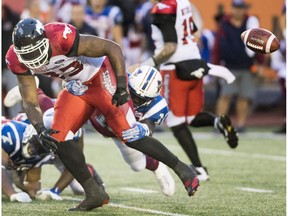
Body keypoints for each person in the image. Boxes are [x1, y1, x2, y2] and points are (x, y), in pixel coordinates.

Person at [6, 18, 199, 211]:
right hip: (77, 87)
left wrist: (122, 86)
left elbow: (111, 47)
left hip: (100, 75)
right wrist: (39, 129)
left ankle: (183, 169)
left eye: (35, 50)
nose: (32, 56)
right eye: (26, 53)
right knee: (57, 137)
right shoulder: (16, 59)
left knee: (129, 135)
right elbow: (30, 101)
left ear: (45, 40)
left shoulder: (60, 36)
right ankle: (94, 192)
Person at [129, 0, 238, 181]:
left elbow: (170, 47)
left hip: (174, 69)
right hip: (195, 63)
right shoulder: (183, 3)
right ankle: (217, 121)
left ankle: (199, 168)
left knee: (175, 122)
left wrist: (146, 64)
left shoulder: (163, 8)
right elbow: (192, 29)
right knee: (192, 117)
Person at [2, 116, 104, 202]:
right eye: (36, 145)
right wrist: (12, 194)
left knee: (79, 188)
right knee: (5, 182)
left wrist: (37, 192)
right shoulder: (12, 134)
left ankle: (88, 169)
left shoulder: (40, 155)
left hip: (49, 147)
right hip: (11, 146)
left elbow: (33, 189)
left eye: (40, 149)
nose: (34, 150)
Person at [212, 0, 265, 133]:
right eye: (236, 7)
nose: (239, 10)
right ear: (232, 8)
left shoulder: (251, 23)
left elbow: (258, 44)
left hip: (247, 66)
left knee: (244, 97)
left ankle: (241, 124)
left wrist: (260, 63)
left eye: (241, 8)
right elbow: (217, 46)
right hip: (229, 66)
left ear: (244, 9)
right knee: (225, 96)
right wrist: (215, 66)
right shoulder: (224, 24)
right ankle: (220, 124)